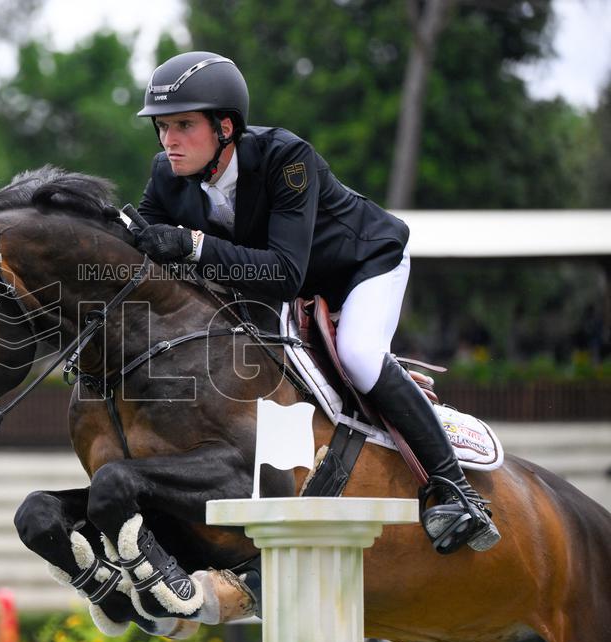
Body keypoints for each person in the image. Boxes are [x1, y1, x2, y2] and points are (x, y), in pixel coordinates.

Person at [133, 51, 499, 554]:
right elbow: (146, 246)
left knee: (359, 355)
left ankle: (452, 488)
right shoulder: (166, 173)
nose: (168, 140)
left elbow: (283, 274)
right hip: (293, 284)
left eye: (182, 126)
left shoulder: (287, 159)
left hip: (362, 266)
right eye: (161, 127)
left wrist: (194, 246)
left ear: (224, 127)